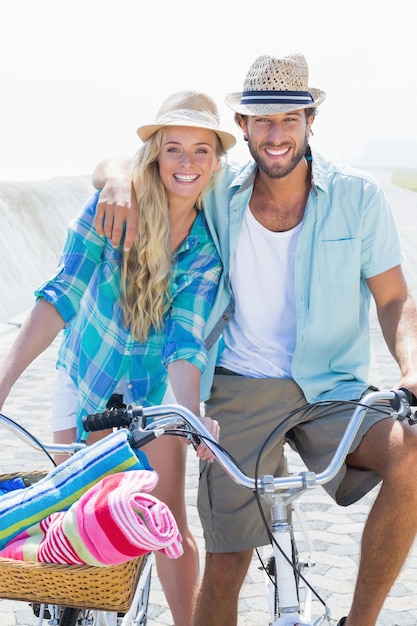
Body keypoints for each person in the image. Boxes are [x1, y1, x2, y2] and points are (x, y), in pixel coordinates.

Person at [92, 54, 417, 626]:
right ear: (241, 125)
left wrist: (411, 368)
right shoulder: (218, 189)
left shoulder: (358, 197)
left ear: (310, 120)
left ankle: (359, 622)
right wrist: (117, 177)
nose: (275, 135)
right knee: (227, 562)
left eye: (289, 119)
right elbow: (143, 163)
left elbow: (395, 300)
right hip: (239, 388)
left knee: (412, 452)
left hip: (331, 387)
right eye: (262, 121)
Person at [0, 90, 237, 626]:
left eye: (202, 151)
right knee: (72, 516)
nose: (187, 163)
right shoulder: (113, 206)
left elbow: (186, 338)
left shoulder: (204, 246)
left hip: (155, 393)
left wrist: (193, 414)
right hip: (86, 375)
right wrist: (5, 381)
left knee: (168, 520)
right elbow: (61, 293)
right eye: (174, 148)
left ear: (216, 162)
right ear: (154, 153)